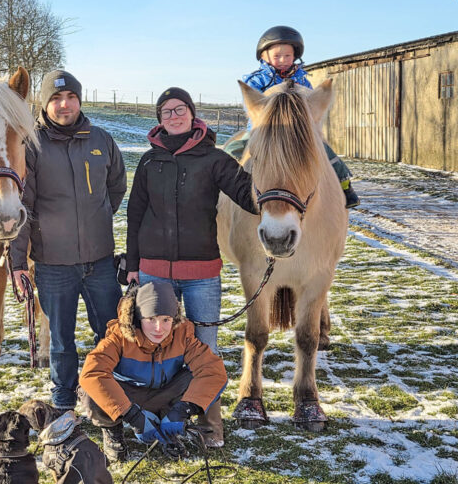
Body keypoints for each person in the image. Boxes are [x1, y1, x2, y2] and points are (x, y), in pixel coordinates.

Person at [123, 86, 257, 449]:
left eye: (179, 109)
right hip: (154, 274)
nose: (174, 116)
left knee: (205, 349)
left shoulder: (213, 159)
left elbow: (248, 194)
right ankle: (160, 418)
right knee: (157, 347)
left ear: (192, 114)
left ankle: (211, 425)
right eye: (166, 112)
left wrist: (275, 188)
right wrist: (133, 264)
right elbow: (135, 214)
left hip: (201, 275)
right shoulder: (150, 162)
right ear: (160, 120)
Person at [10, 69, 127, 412]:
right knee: (62, 341)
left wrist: (97, 215)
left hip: (100, 261)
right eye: (56, 99)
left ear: (79, 100)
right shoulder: (31, 144)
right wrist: (18, 262)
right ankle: (63, 401)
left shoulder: (101, 140)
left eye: (71, 98)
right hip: (53, 264)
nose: (65, 105)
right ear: (44, 105)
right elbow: (23, 206)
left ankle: (105, 394)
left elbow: (117, 187)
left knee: (109, 333)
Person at [79, 280, 227, 462]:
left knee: (197, 376)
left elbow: (212, 370)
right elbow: (92, 373)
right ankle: (113, 431)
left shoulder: (182, 333)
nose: (159, 328)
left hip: (166, 394)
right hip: (128, 396)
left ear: (174, 318)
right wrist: (132, 415)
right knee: (90, 392)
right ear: (138, 318)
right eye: (151, 319)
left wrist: (182, 410)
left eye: (166, 320)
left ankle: (169, 426)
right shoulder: (120, 334)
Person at [228, 25, 360, 208]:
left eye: (288, 56)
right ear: (264, 57)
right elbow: (252, 104)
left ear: (295, 56)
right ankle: (223, 188)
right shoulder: (257, 79)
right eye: (277, 56)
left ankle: (345, 186)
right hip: (264, 129)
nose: (283, 60)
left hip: (297, 131)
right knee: (231, 151)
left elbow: (311, 103)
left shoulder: (302, 80)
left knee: (327, 153)